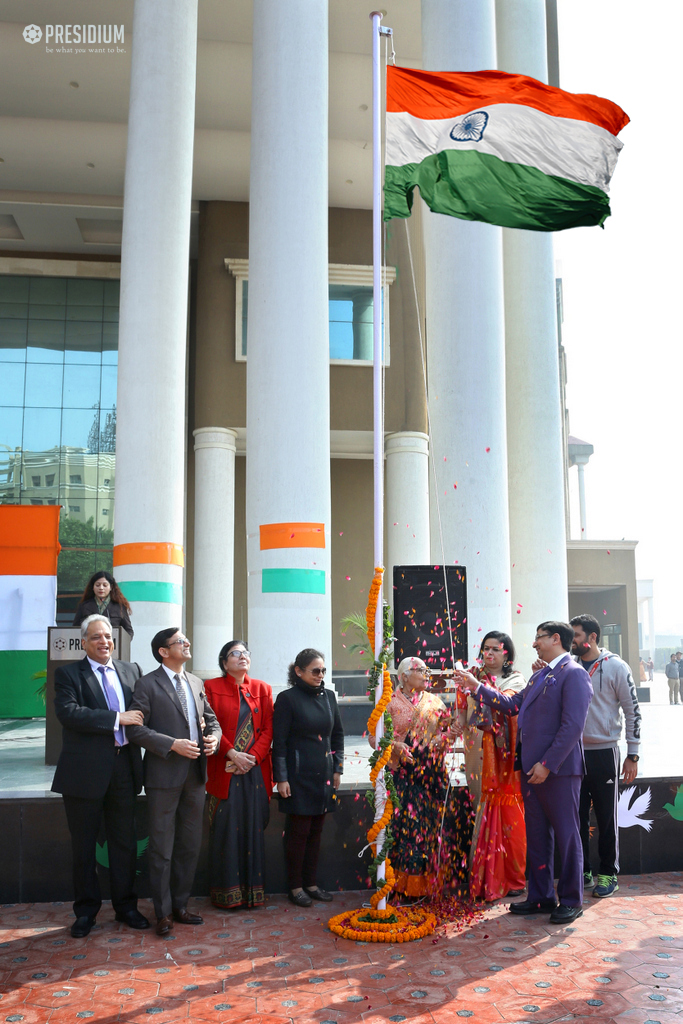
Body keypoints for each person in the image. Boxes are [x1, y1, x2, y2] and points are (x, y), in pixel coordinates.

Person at [457, 621, 592, 925]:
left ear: (556, 639)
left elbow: (572, 727)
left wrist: (548, 763)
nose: (534, 644)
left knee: (568, 835)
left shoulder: (574, 674)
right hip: (530, 770)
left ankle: (571, 899)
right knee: (537, 835)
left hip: (557, 771)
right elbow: (512, 704)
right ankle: (541, 895)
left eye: (539, 638)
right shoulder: (541, 675)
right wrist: (476, 687)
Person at [51, 614, 148, 938]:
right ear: (84, 642)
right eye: (96, 637)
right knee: (83, 848)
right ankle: (86, 912)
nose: (104, 642)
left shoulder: (130, 670)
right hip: (84, 774)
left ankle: (126, 907)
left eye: (108, 636)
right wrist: (116, 718)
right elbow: (69, 713)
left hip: (124, 769)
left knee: (124, 843)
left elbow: (147, 711)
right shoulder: (69, 674)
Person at [127, 629, 221, 936]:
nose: (187, 644)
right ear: (163, 651)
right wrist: (172, 744)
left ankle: (181, 905)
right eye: (180, 641)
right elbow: (136, 730)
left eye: (185, 640)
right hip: (163, 777)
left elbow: (213, 720)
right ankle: (163, 912)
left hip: (195, 776)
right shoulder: (146, 684)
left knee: (189, 845)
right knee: (162, 848)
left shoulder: (196, 682)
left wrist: (214, 740)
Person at [381, 656, 473, 900]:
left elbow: (448, 731)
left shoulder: (434, 701)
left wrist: (447, 736)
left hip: (432, 774)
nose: (425, 673)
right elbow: (375, 738)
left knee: (432, 825)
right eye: (419, 670)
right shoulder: (389, 703)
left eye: (426, 669)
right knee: (406, 829)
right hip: (403, 773)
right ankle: (403, 886)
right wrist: (397, 747)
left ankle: (430, 885)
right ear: (403, 676)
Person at [570, 614, 641, 899]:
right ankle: (583, 870)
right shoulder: (569, 666)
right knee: (576, 817)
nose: (572, 640)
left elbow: (632, 710)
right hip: (573, 754)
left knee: (605, 817)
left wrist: (632, 754)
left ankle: (608, 874)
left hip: (604, 753)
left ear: (593, 637)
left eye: (576, 635)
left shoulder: (616, 667)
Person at [204, 640, 273, 910]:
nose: (242, 657)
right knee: (225, 833)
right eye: (235, 654)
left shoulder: (262, 689)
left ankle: (253, 894)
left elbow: (268, 729)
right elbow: (211, 727)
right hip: (224, 770)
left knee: (253, 830)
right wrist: (233, 754)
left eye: (246, 653)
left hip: (255, 772)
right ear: (224, 663)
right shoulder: (210, 688)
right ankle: (227, 895)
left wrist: (252, 758)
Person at [272, 649, 344, 907]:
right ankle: (295, 887)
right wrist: (281, 777)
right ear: (298, 672)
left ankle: (311, 884)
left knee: (317, 831)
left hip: (324, 775)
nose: (320, 675)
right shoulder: (287, 699)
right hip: (297, 776)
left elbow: (337, 736)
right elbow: (278, 742)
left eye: (323, 670)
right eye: (315, 671)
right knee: (298, 833)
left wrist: (337, 769)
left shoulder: (329, 697)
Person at [458, 632, 527, 902]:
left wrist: (476, 686)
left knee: (512, 817)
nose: (489, 654)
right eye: (485, 649)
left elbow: (509, 708)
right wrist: (453, 723)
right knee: (482, 811)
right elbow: (462, 718)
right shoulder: (470, 679)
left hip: (507, 761)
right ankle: (485, 878)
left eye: (495, 650)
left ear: (506, 654)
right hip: (477, 755)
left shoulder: (517, 680)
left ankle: (514, 878)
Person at [73, 570, 134, 638]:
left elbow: (129, 631)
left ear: (111, 587)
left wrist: (120, 643)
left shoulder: (119, 607)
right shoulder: (84, 606)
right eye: (97, 585)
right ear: (93, 587)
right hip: (90, 646)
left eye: (105, 585)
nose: (101, 588)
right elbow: (75, 629)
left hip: (111, 646)